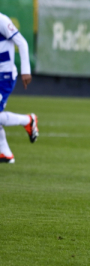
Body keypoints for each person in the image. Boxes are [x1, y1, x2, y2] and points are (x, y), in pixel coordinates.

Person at [0, 11, 39, 163]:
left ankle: (27, 120)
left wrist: (26, 71)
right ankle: (5, 153)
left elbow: (22, 42)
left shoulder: (2, 20)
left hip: (5, 77)